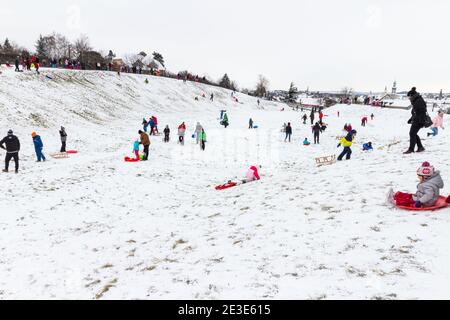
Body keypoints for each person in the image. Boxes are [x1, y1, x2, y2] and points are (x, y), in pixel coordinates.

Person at [404, 87, 427, 154]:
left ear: (412, 95)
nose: (409, 98)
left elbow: (422, 112)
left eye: (409, 97)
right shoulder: (416, 100)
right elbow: (415, 112)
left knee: (412, 133)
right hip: (417, 120)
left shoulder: (418, 101)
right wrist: (411, 119)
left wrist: (421, 122)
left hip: (419, 121)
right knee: (413, 133)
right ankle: (420, 147)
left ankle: (411, 149)